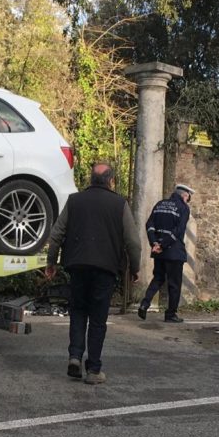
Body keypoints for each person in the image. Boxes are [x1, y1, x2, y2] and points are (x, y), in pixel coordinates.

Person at [45, 163, 141, 385]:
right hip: (105, 269)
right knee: (98, 319)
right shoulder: (119, 204)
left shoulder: (74, 201)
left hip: (77, 266)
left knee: (78, 311)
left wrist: (51, 262)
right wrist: (134, 268)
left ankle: (75, 356)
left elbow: (56, 233)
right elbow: (133, 242)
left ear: (90, 180)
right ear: (111, 181)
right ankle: (94, 369)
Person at [138, 184, 195, 322]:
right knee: (174, 284)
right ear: (185, 196)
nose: (187, 201)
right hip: (174, 252)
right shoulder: (183, 208)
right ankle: (170, 314)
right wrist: (163, 245)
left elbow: (149, 225)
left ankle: (145, 304)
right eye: (188, 198)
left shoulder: (160, 204)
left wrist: (154, 243)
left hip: (159, 252)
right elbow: (179, 230)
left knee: (158, 278)